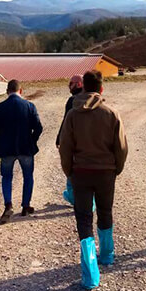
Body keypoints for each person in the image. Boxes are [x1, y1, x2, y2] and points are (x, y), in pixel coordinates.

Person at [58, 70, 128, 290]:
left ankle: (90, 274)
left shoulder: (72, 115)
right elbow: (122, 147)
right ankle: (107, 255)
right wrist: (116, 169)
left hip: (80, 172)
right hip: (106, 172)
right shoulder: (111, 113)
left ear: (84, 87)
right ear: (101, 89)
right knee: (106, 211)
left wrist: (69, 171)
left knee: (84, 217)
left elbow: (65, 148)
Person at [0, 79, 44, 222]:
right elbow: (38, 127)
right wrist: (32, 140)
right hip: (26, 148)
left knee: (6, 177)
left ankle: (8, 204)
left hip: (6, 149)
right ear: (21, 91)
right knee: (28, 176)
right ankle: (26, 206)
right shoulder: (30, 106)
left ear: (7, 91)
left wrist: (0, 142)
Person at [57, 75, 83, 206]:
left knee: (71, 172)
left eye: (71, 83)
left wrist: (59, 139)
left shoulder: (72, 101)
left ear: (78, 84)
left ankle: (73, 198)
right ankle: (90, 203)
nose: (69, 86)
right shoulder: (92, 98)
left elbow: (66, 122)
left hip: (73, 142)